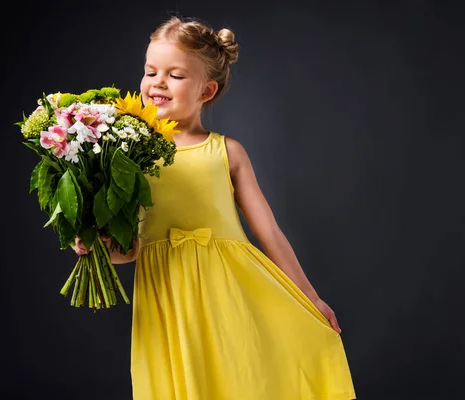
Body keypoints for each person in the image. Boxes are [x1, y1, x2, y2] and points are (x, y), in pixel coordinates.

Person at [75, 14, 356, 400]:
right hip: (166, 297)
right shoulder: (127, 157)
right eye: (150, 71)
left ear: (206, 91)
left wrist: (311, 297)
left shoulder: (227, 152)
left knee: (237, 378)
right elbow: (133, 247)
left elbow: (269, 232)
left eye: (175, 75)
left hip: (229, 291)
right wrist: (98, 248)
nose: (157, 82)